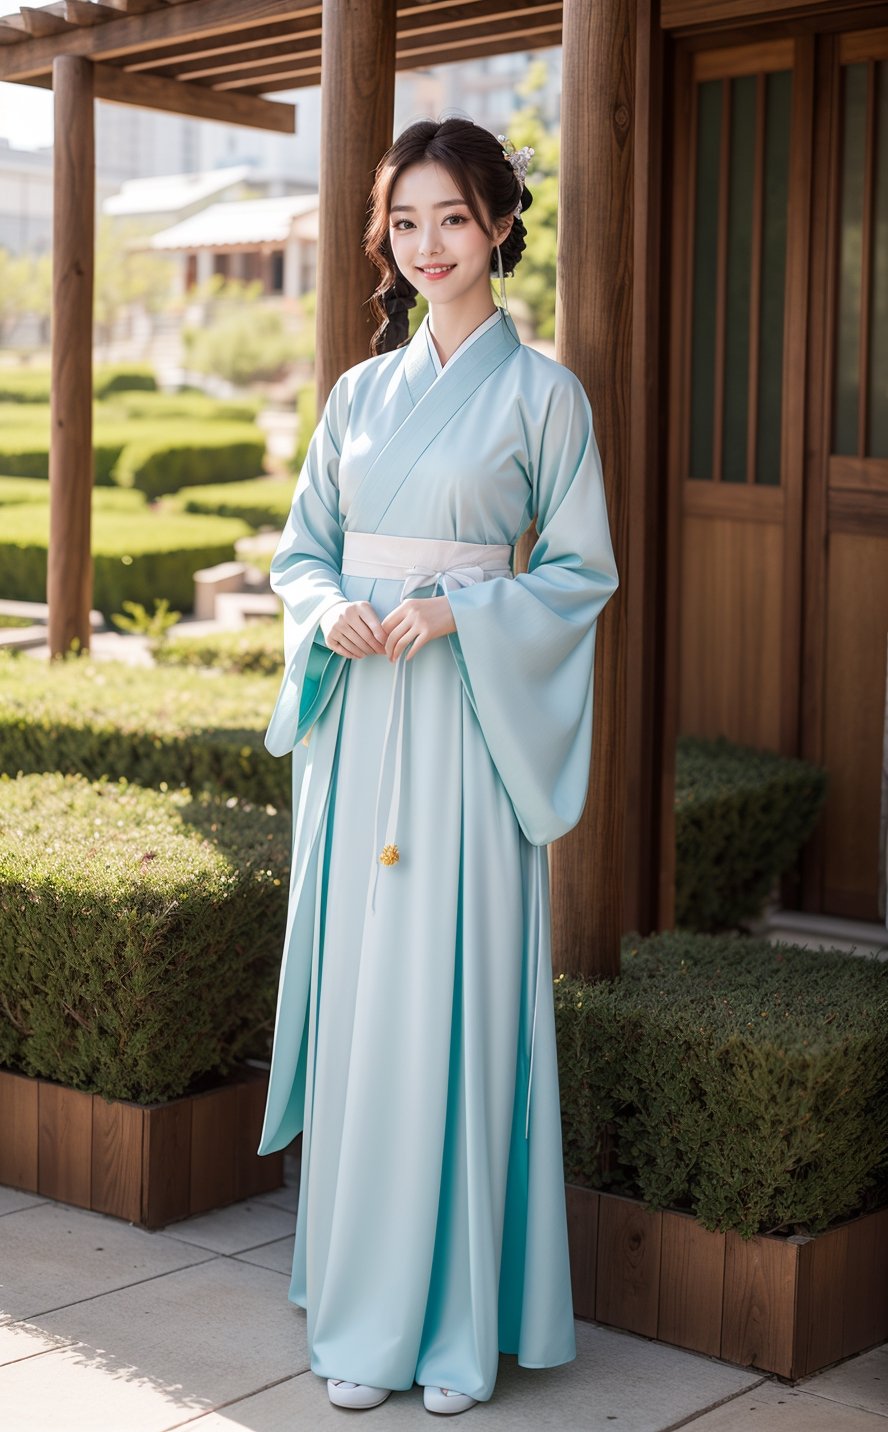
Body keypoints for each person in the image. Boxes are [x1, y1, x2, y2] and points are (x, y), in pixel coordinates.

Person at [256, 116, 620, 1416]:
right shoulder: (358, 397)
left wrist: (467, 610)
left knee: (448, 1005)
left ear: (501, 227)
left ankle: (456, 1326)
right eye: (404, 222)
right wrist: (322, 614)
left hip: (466, 734)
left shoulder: (544, 396)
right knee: (369, 1011)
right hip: (363, 729)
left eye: (451, 220)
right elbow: (302, 551)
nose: (426, 247)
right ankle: (361, 1308)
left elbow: (582, 574)